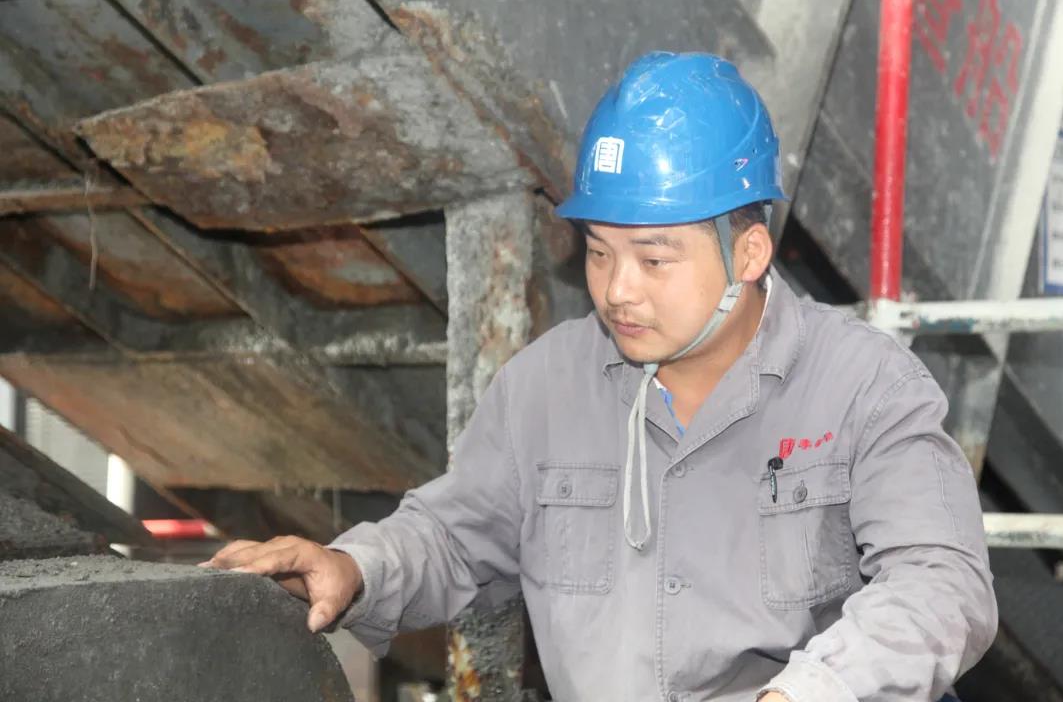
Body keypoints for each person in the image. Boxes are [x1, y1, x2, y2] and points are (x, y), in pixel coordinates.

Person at [203, 52, 996, 701]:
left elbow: (941, 585)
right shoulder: (544, 388)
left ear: (748, 255)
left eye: (654, 259)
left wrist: (808, 693)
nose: (618, 290)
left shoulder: (865, 385)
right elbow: (452, 538)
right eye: (599, 252)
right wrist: (353, 568)